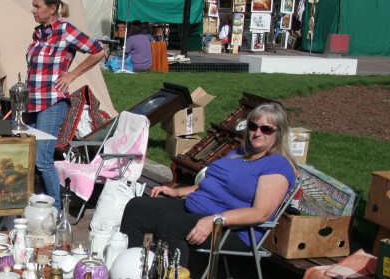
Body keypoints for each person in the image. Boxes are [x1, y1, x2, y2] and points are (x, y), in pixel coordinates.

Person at [120, 102, 298, 269]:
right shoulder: (240, 152)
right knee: (138, 207)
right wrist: (177, 192)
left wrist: (215, 220)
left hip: (235, 230)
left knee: (170, 225)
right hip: (200, 210)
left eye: (266, 129)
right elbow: (213, 184)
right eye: (253, 126)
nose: (257, 133)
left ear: (279, 133)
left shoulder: (277, 166)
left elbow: (261, 213)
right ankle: (130, 271)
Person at [24, 0, 105, 208]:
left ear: (52, 9)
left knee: (43, 159)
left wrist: (72, 74)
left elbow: (98, 50)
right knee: (32, 160)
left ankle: (56, 211)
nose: (33, 10)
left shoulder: (65, 30)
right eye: (33, 5)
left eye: (37, 6)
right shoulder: (39, 33)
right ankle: (39, 205)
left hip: (52, 102)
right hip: (32, 102)